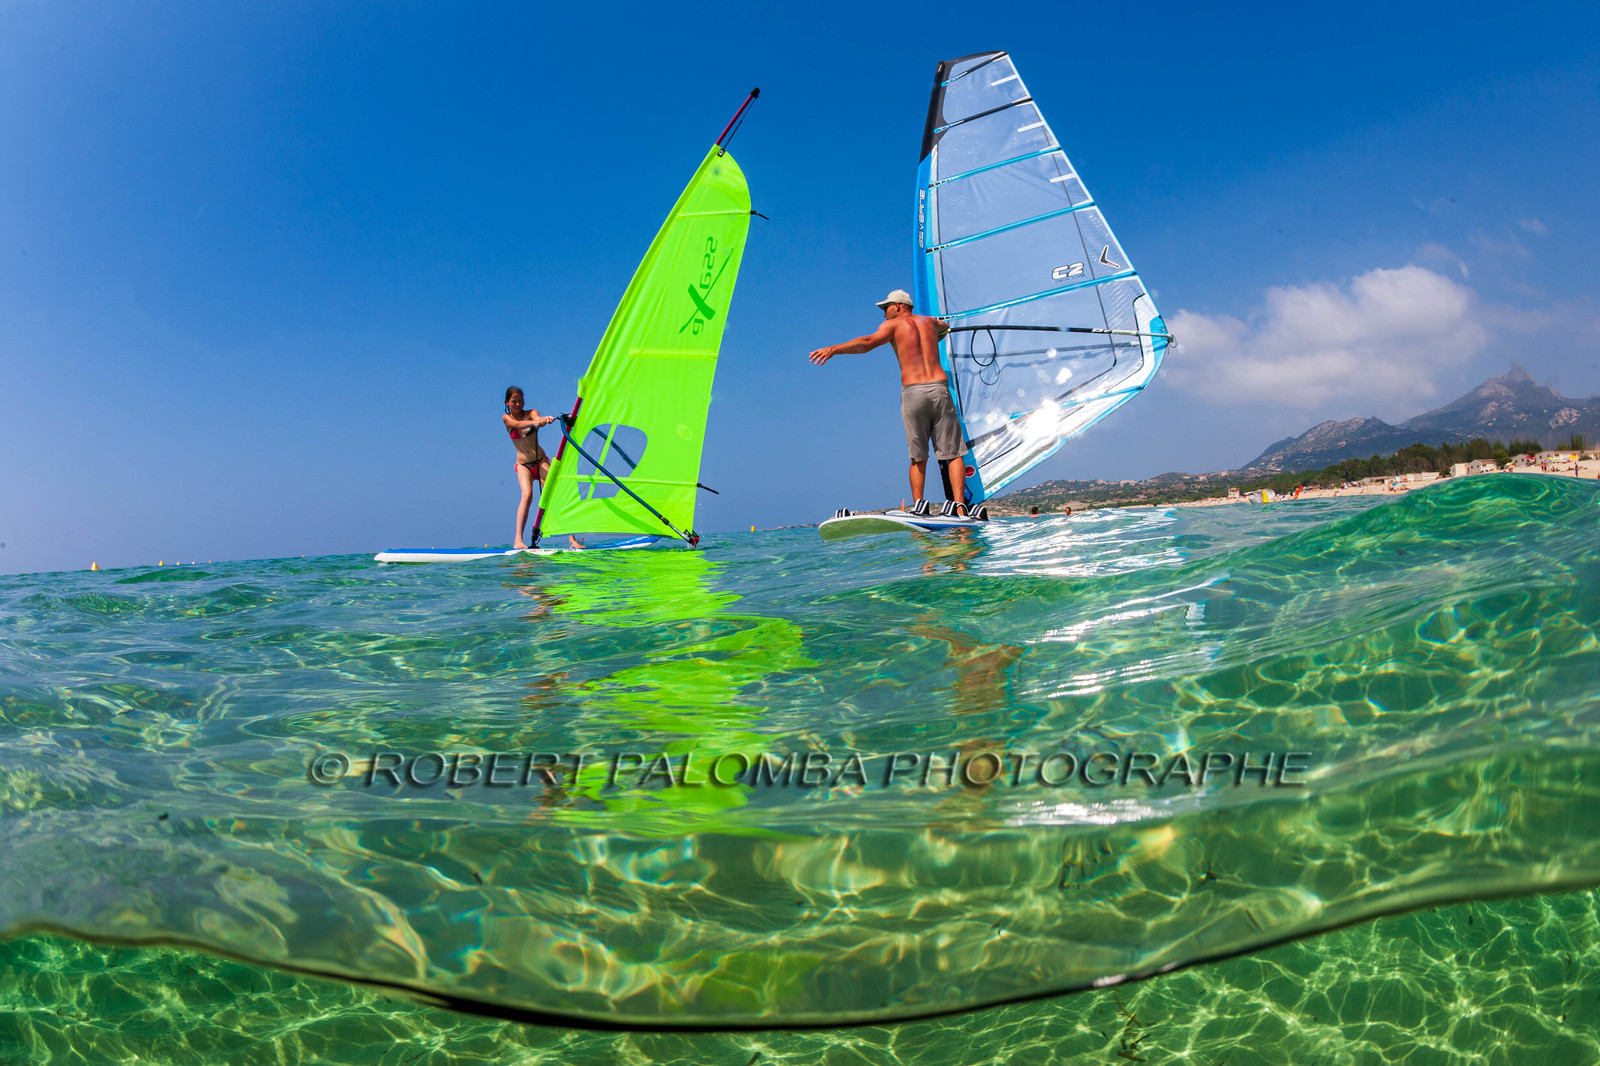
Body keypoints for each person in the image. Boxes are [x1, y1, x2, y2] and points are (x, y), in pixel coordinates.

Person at [809, 289, 966, 514]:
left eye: (886, 308)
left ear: (899, 306)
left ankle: (920, 507)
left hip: (914, 392)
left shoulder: (893, 326)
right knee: (953, 455)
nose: (884, 314)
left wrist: (835, 349)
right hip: (940, 390)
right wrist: (940, 329)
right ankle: (961, 509)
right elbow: (946, 326)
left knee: (918, 457)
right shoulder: (931, 323)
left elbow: (868, 342)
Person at [502, 386, 580, 551]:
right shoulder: (506, 418)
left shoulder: (531, 412)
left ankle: (572, 540)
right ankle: (518, 540)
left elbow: (538, 418)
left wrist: (544, 420)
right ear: (507, 402)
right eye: (514, 401)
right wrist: (535, 422)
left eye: (520, 401)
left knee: (555, 495)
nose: (517, 404)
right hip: (523, 465)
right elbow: (517, 424)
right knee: (527, 496)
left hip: (540, 461)